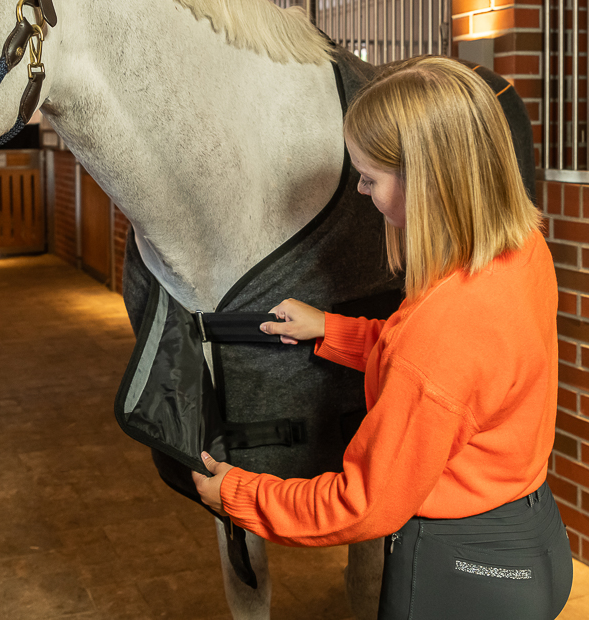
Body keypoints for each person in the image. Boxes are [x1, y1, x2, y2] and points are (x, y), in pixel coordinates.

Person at [192, 55, 573, 619]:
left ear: (430, 180)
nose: (363, 193)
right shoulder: (522, 250)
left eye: (369, 178)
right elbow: (461, 372)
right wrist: (332, 330)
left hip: (459, 574)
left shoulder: (442, 331)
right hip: (535, 537)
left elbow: (361, 505)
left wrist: (239, 495)